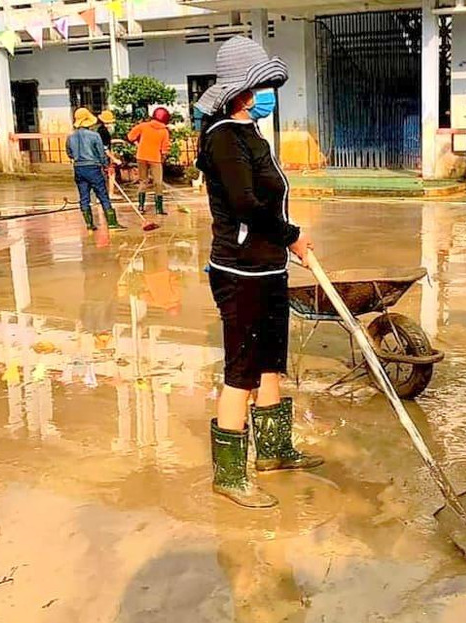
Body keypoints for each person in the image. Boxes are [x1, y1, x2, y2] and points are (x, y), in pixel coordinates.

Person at [195, 35, 321, 508]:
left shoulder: (251, 134)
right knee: (241, 372)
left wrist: (285, 243)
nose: (270, 92)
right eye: (264, 84)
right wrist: (292, 236)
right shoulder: (224, 137)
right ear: (242, 91)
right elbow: (246, 204)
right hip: (239, 271)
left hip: (268, 268)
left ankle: (273, 451)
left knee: (271, 363)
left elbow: (267, 200)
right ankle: (229, 476)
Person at [66, 108, 124, 232]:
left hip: (79, 168)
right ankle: (112, 223)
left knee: (84, 197)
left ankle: (89, 224)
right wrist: (105, 166)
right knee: (103, 195)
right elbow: (101, 153)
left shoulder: (70, 137)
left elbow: (69, 154)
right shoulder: (94, 135)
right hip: (93, 168)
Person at [127, 107, 171, 216]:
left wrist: (138, 143)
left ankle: (141, 206)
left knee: (143, 181)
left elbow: (130, 137)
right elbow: (165, 149)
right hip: (155, 158)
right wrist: (162, 159)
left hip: (141, 156)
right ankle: (159, 209)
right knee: (158, 183)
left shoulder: (143, 126)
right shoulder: (164, 131)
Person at [96, 110, 122, 199]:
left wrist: (117, 141)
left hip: (98, 156)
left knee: (103, 175)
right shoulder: (104, 132)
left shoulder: (99, 130)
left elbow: (104, 143)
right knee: (111, 173)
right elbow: (105, 148)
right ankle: (110, 193)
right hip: (104, 156)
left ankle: (103, 195)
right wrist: (114, 159)